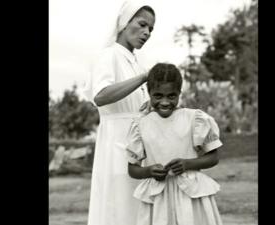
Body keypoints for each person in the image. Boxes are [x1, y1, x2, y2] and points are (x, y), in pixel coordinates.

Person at [82, 1, 156, 225]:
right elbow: (101, 96)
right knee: (118, 206)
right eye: (142, 24)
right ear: (124, 23)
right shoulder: (109, 55)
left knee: (137, 209)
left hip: (137, 145)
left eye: (151, 29)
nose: (146, 33)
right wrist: (143, 77)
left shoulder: (133, 61)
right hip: (116, 143)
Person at [126, 63, 224, 225]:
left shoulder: (195, 119)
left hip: (191, 195)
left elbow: (213, 157)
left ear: (179, 93)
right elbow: (132, 169)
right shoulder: (140, 125)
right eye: (158, 96)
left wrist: (187, 164)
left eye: (171, 96)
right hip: (158, 197)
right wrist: (149, 170)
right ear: (149, 93)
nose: (164, 102)